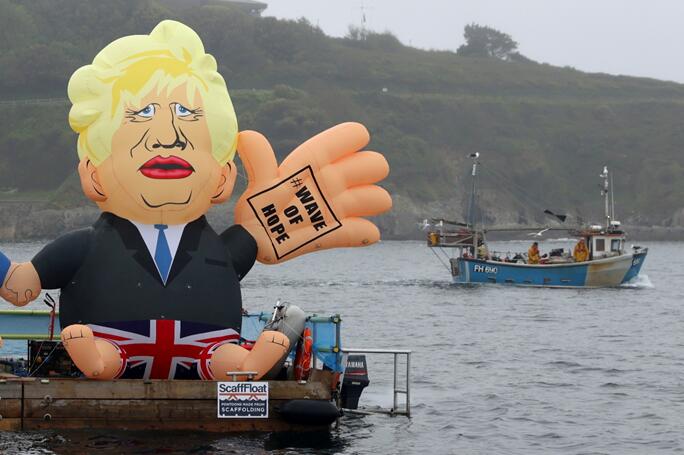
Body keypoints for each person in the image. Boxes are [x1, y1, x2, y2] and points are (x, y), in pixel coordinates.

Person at [0, 21, 392, 381]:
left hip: (208, 350)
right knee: (100, 352)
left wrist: (261, 229)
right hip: (113, 346)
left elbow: (19, 287)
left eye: (186, 113)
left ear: (224, 177)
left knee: (224, 357)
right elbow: (19, 285)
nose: (167, 137)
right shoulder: (87, 247)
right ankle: (104, 359)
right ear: (93, 173)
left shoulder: (219, 247)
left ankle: (239, 364)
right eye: (142, 114)